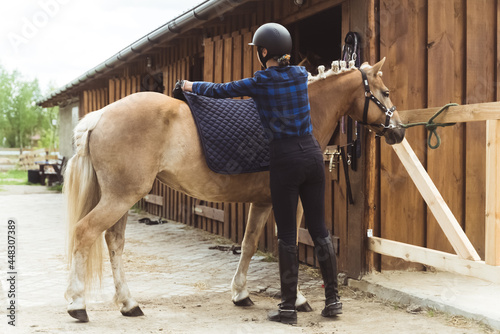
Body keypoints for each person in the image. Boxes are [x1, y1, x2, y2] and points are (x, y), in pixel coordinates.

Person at [177, 22, 342, 325]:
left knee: (288, 236)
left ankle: (288, 309)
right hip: (312, 156)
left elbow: (221, 91)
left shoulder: (261, 80)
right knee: (319, 230)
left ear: (264, 52)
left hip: (285, 160)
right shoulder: (300, 75)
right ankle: (333, 301)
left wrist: (189, 86)